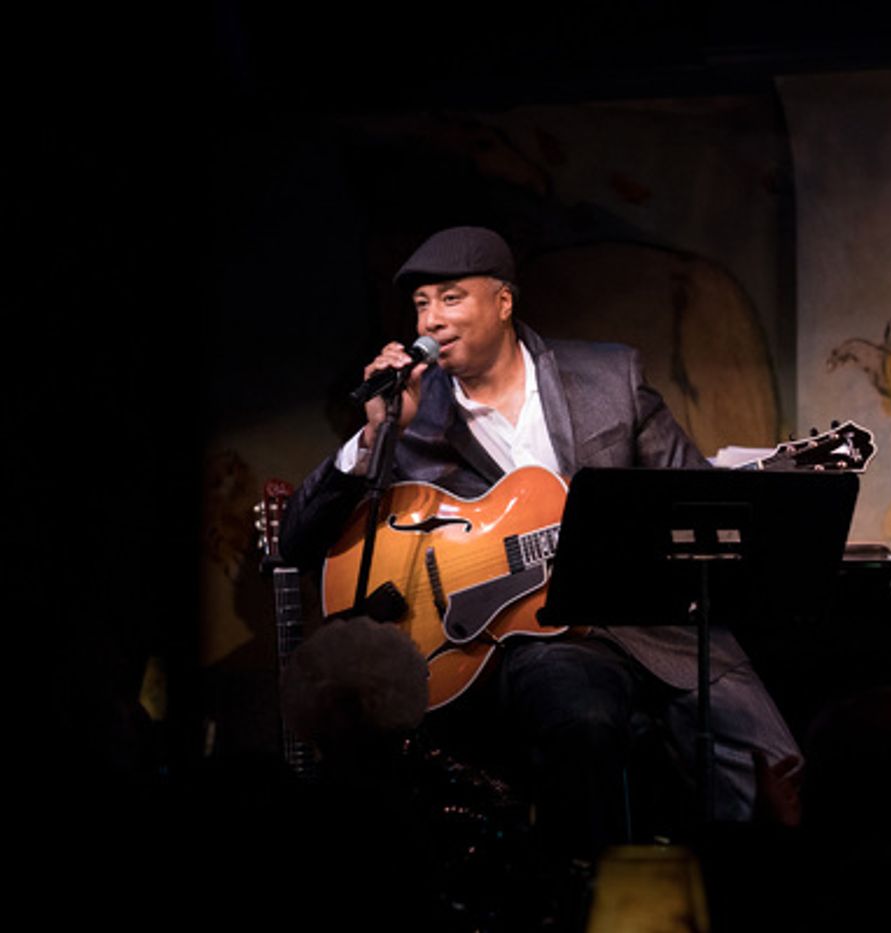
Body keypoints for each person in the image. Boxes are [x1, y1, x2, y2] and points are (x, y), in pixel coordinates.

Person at [281, 225, 800, 855]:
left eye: (450, 298)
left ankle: (751, 886)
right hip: (535, 636)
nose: (431, 320)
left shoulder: (609, 376)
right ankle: (585, 888)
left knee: (776, 769)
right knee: (582, 722)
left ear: (503, 302)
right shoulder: (412, 416)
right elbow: (299, 537)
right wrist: (373, 437)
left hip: (651, 622)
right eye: (421, 304)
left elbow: (686, 493)